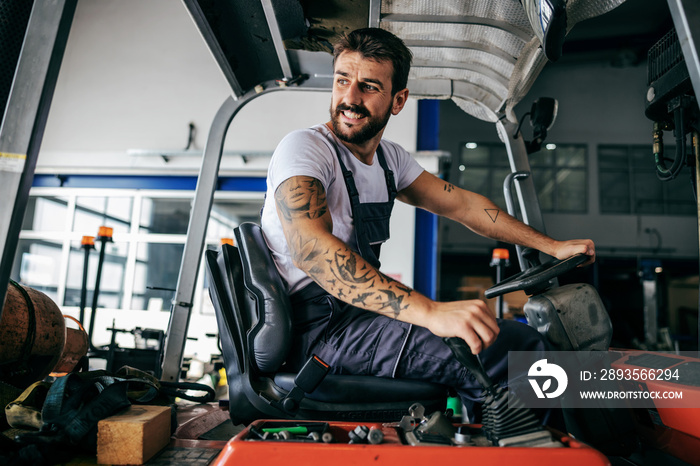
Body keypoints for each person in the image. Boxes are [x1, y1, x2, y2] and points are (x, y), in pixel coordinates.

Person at [260, 28, 594, 415]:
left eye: (368, 86)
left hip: (356, 321)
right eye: (342, 81)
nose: (350, 98)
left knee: (504, 338)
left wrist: (551, 246)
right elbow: (313, 250)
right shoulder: (306, 148)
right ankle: (527, 450)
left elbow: (464, 206)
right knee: (514, 351)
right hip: (320, 336)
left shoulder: (390, 160)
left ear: (398, 99)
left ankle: (491, 436)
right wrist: (431, 311)